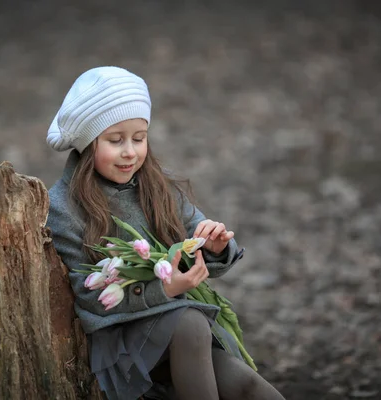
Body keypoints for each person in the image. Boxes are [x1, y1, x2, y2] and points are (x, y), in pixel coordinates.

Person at [46, 66, 285, 400]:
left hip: (180, 334)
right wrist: (166, 288)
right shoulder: (62, 207)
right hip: (121, 339)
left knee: (249, 387)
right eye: (115, 141)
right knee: (189, 321)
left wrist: (214, 246)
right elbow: (88, 297)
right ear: (88, 143)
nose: (130, 151)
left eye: (139, 138)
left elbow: (199, 242)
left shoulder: (157, 186)